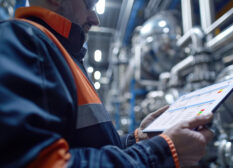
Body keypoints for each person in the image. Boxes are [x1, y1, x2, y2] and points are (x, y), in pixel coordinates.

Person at [0, 0, 214, 167]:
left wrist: (139, 140)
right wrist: (162, 151)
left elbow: (89, 144)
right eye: (89, 5)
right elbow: (37, 162)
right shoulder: (23, 41)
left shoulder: (61, 52)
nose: (95, 19)